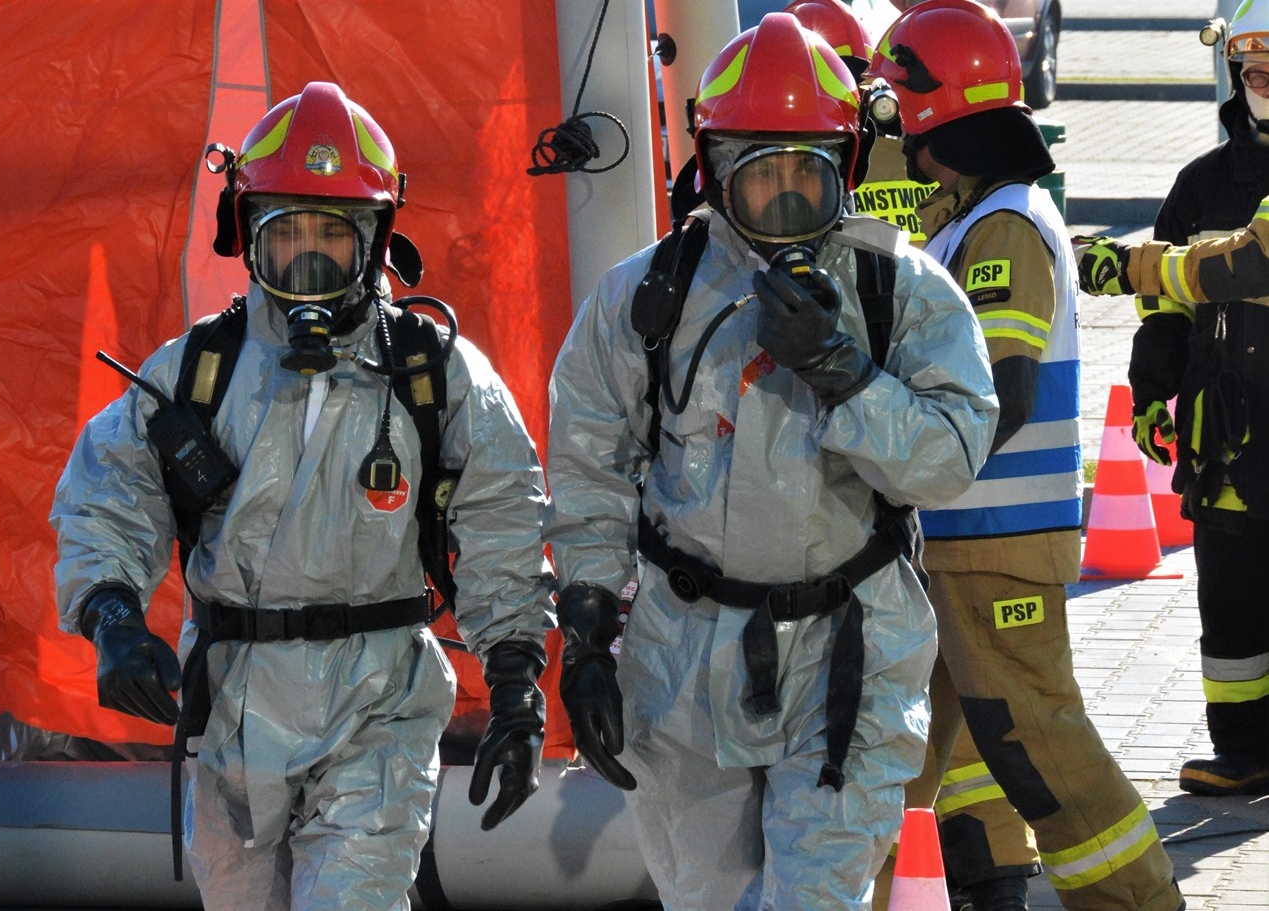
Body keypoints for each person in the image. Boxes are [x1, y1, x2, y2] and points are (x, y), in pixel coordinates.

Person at [50, 81, 555, 911]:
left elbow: (503, 518)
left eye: (335, 235)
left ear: (377, 240)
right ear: (247, 236)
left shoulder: (435, 374)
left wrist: (515, 682)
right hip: (235, 721)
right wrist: (111, 615)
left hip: (378, 709)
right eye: (288, 234)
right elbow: (108, 492)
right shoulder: (196, 372)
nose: (310, 260)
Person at [544, 13, 999, 911]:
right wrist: (587, 633)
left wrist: (843, 372)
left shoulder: (897, 289)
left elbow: (947, 459)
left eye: (808, 169)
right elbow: (590, 469)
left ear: (849, 168)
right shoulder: (645, 297)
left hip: (849, 654)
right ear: (714, 170)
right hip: (682, 660)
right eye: (761, 171)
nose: (784, 194)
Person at [867, 3, 1187, 911]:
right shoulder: (967, 218)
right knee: (893, 747)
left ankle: (1136, 901)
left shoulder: (1000, 227)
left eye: (894, 100)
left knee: (1039, 745)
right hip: (953, 540)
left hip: (993, 541)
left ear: (933, 110)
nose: (884, 121)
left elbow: (993, 396)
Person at [1071, 2, 1269, 800]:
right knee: (1228, 606)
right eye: (1255, 72)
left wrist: (1129, 264)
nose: (1266, 87)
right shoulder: (1202, 183)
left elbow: (1237, 269)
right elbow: (1170, 316)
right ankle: (1244, 748)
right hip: (1227, 433)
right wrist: (1152, 396)